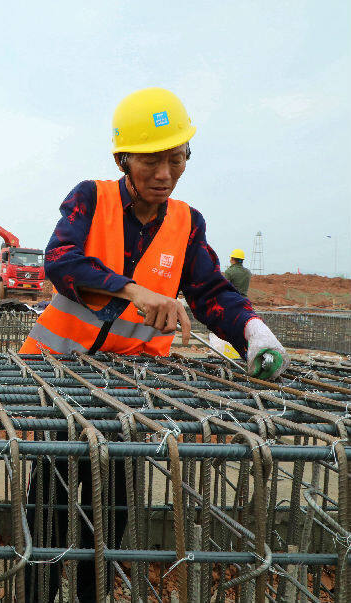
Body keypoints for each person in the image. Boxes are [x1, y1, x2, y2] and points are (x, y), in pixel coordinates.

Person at [20, 88, 290, 602]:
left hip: (131, 392)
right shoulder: (90, 198)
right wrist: (134, 291)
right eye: (150, 160)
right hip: (61, 381)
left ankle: (93, 594)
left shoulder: (187, 222)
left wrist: (253, 331)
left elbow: (211, 292)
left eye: (176, 158)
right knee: (50, 510)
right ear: (123, 159)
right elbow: (61, 261)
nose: (165, 173)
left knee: (111, 515)